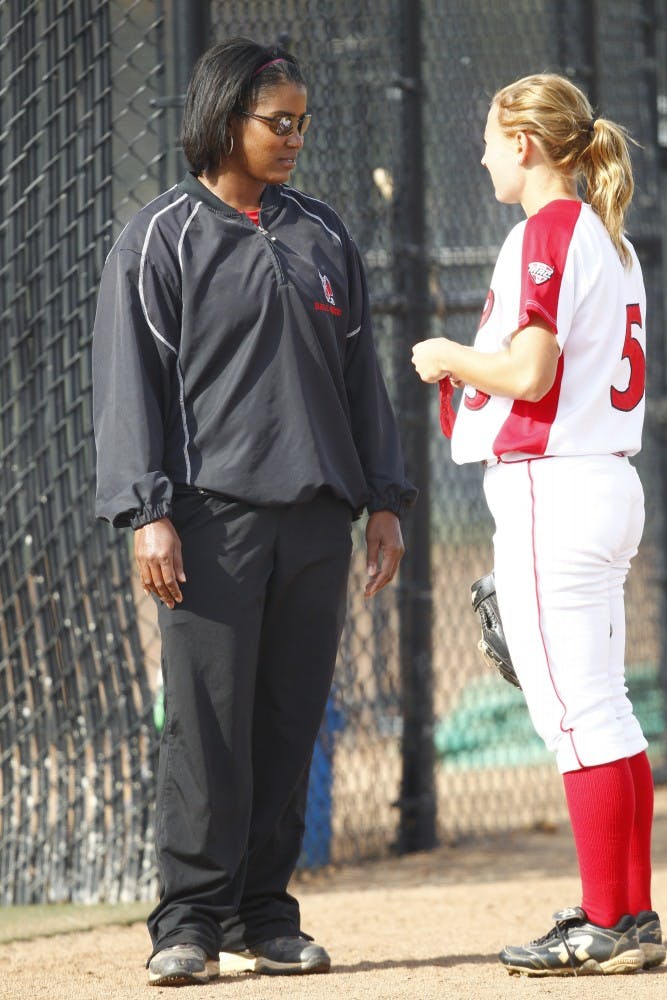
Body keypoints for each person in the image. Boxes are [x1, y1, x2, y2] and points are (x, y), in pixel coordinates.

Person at [93, 37, 416, 988]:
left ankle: (265, 915)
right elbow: (129, 389)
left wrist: (384, 504)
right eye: (278, 123)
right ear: (224, 118)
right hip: (207, 523)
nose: (294, 139)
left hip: (317, 519)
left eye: (301, 124)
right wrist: (148, 513)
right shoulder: (159, 237)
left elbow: (362, 381)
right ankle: (186, 920)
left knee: (287, 720)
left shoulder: (323, 234)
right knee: (207, 725)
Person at [412, 73, 664, 977]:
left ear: (524, 142)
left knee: (573, 717)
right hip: (602, 483)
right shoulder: (608, 238)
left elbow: (527, 373)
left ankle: (607, 922)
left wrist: (443, 354)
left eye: (489, 139)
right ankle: (626, 914)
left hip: (550, 490)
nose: (483, 156)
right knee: (606, 711)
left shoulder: (547, 229)